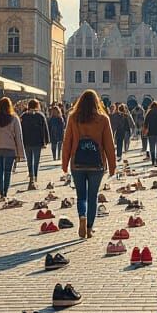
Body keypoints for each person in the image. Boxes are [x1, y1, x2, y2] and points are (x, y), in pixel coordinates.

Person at [61, 89, 117, 238]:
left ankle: (81, 216)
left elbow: (67, 142)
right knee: (93, 196)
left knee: (81, 196)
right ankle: (89, 228)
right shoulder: (103, 119)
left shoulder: (73, 118)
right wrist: (112, 166)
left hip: (77, 162)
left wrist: (64, 163)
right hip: (96, 163)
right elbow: (109, 144)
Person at [19, 100, 50, 191]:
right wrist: (46, 141)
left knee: (29, 160)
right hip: (37, 141)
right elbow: (45, 129)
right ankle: (35, 176)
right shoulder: (40, 115)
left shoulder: (23, 116)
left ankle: (31, 175)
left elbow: (20, 129)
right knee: (36, 160)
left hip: (27, 141)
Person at [142, 101, 157, 166]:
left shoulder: (149, 114)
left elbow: (145, 124)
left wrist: (144, 132)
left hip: (151, 133)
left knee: (152, 147)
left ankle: (153, 160)